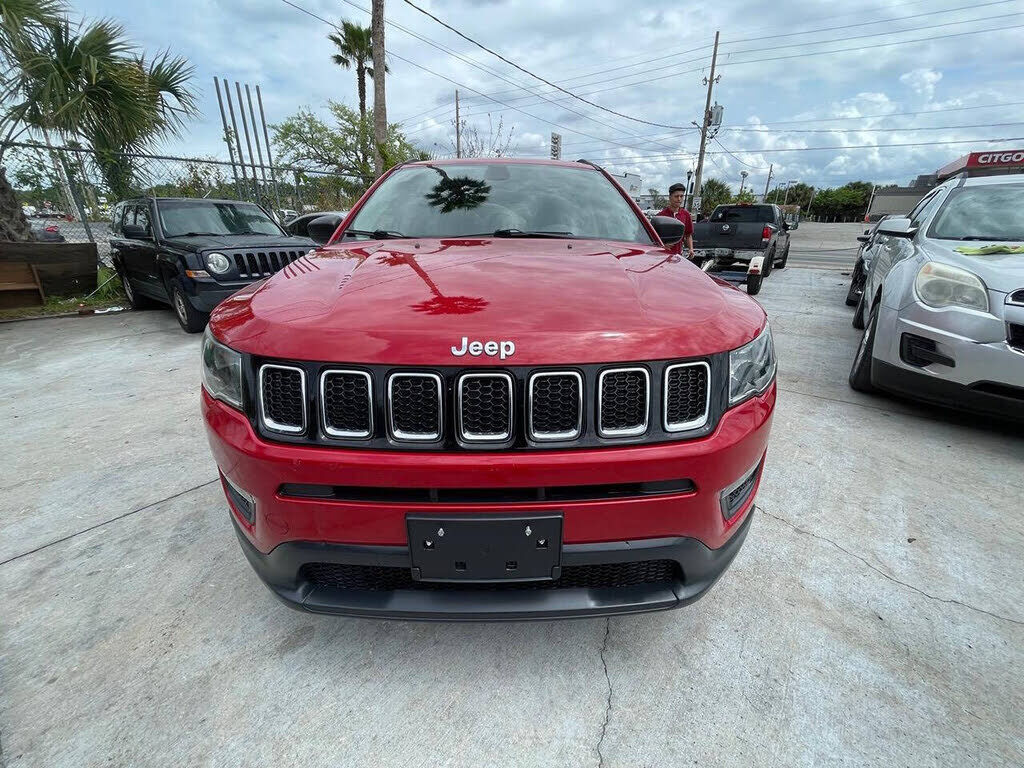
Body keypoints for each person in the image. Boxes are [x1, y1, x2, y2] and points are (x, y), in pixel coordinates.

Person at [657, 183, 695, 259]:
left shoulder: (686, 215)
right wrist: (662, 245)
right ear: (670, 197)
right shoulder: (660, 216)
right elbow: (653, 238)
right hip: (662, 256)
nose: (679, 199)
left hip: (678, 256)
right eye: (676, 196)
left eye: (681, 196)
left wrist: (691, 249)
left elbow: (688, 235)